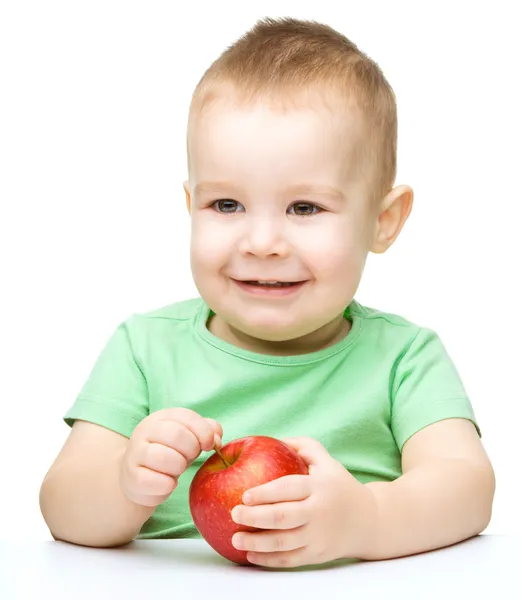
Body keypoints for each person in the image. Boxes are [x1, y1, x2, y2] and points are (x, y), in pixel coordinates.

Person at [39, 17, 495, 568]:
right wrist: (121, 485)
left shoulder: (404, 358)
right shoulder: (144, 347)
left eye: (305, 208)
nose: (261, 243)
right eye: (226, 205)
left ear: (384, 220)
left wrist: (369, 521)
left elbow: (467, 488)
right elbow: (61, 506)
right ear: (191, 207)